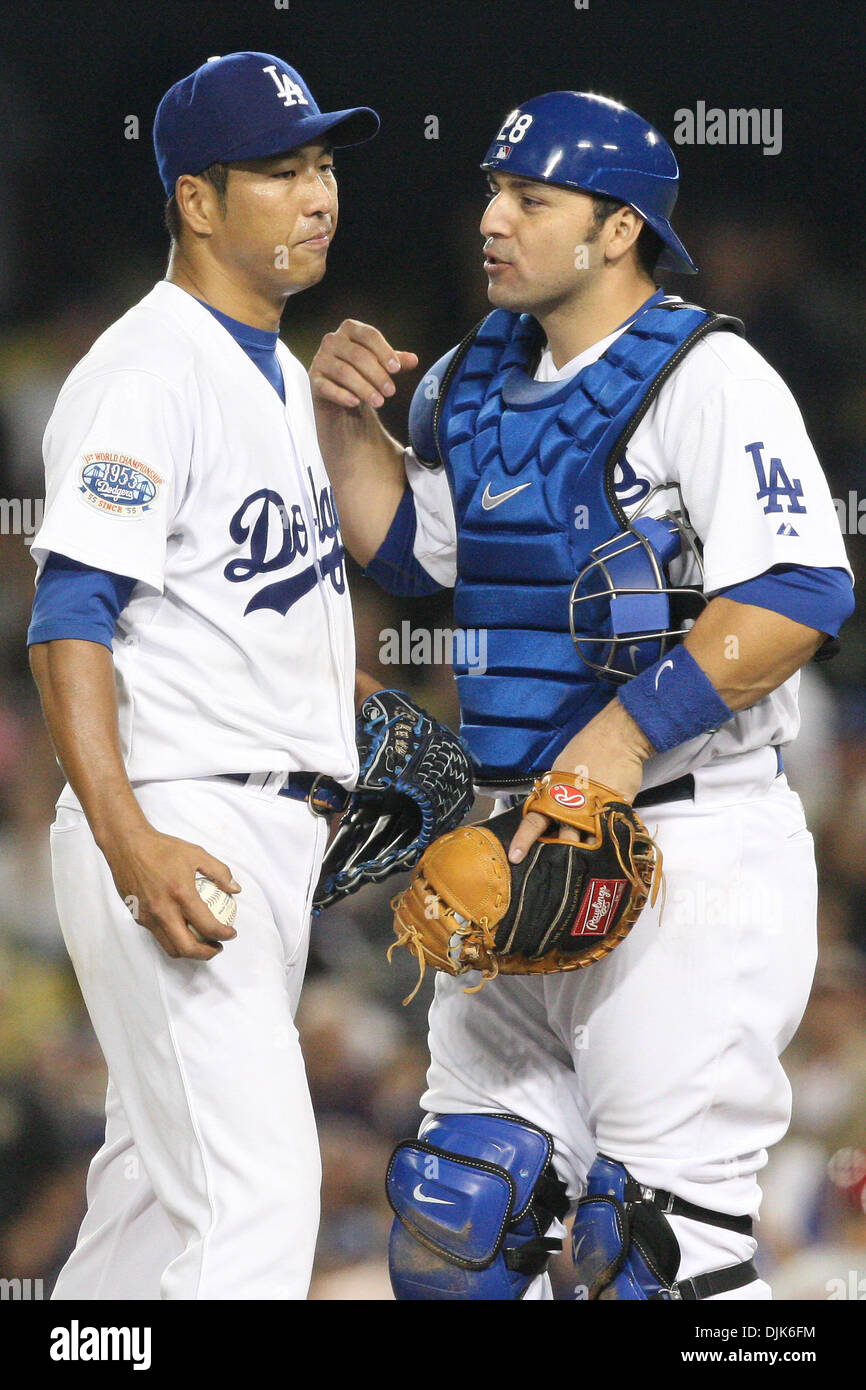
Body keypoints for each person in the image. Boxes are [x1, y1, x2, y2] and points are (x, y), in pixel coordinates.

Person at [309, 91, 855, 1300]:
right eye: (493, 192)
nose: (492, 219)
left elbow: (802, 589)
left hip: (683, 841)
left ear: (617, 229)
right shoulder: (471, 377)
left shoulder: (707, 375)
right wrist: (343, 423)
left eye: (529, 199)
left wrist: (609, 744)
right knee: (457, 1223)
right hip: (515, 851)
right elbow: (413, 555)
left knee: (648, 1259)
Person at [28, 51, 381, 1301]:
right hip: (177, 816)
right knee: (253, 1209)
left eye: (325, 163)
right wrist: (129, 840)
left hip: (260, 827)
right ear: (196, 199)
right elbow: (68, 615)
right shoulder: (146, 368)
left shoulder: (287, 379)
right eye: (281, 170)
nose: (318, 192)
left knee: (146, 1210)